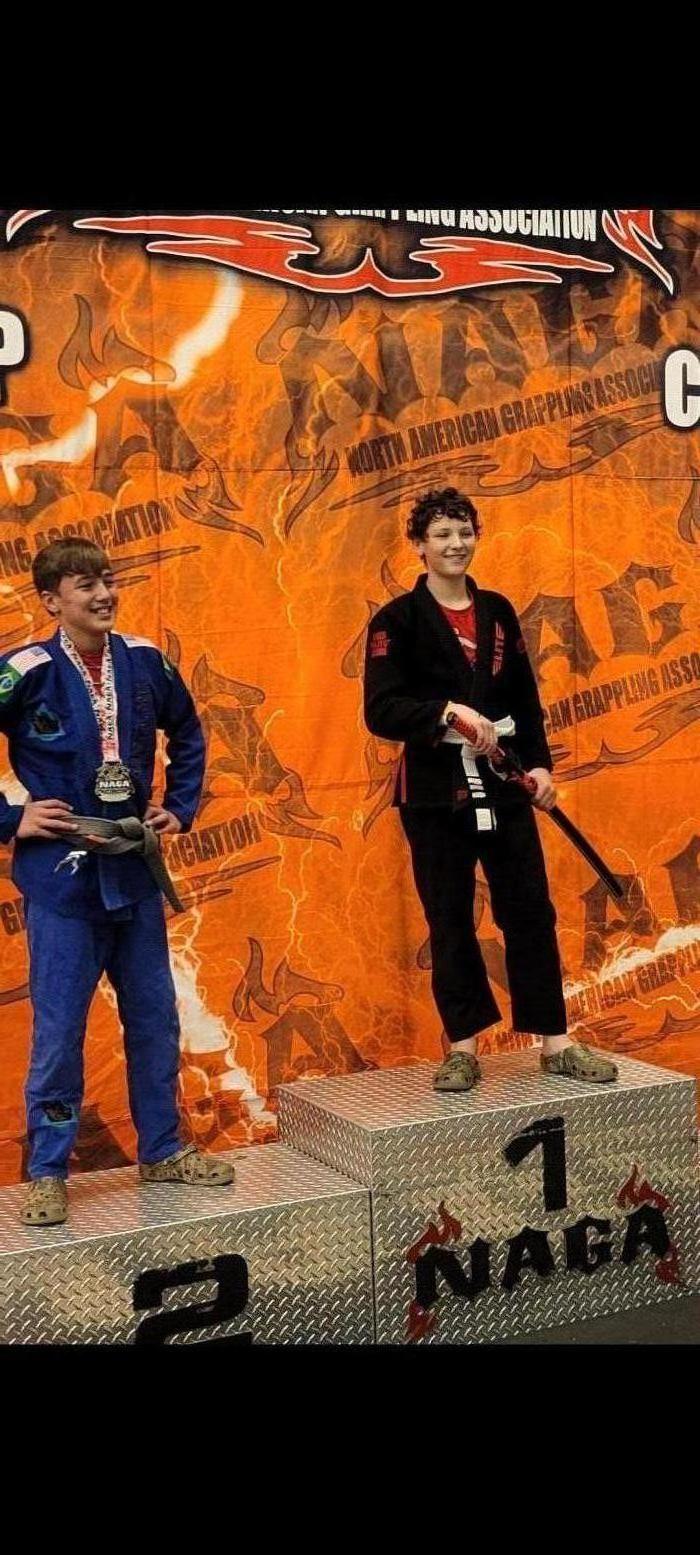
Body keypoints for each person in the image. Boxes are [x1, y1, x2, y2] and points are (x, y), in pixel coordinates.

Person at [0, 537, 235, 1225]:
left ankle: (162, 1149)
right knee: (60, 1031)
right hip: (62, 880)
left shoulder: (145, 661)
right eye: (85, 585)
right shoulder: (24, 671)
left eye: (107, 580)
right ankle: (47, 1171)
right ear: (51, 600)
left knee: (155, 1019)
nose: (104, 594)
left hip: (132, 871)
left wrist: (180, 806)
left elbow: (188, 732)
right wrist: (13, 818)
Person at [363, 487, 618, 1093]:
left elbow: (524, 698)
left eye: (464, 532)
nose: (456, 544)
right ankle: (462, 1048)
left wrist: (541, 768)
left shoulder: (497, 611)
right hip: (434, 795)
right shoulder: (396, 621)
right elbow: (381, 710)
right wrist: (445, 712)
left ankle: (555, 1042)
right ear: (418, 545)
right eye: (442, 535)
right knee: (450, 916)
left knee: (530, 910)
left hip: (504, 782)